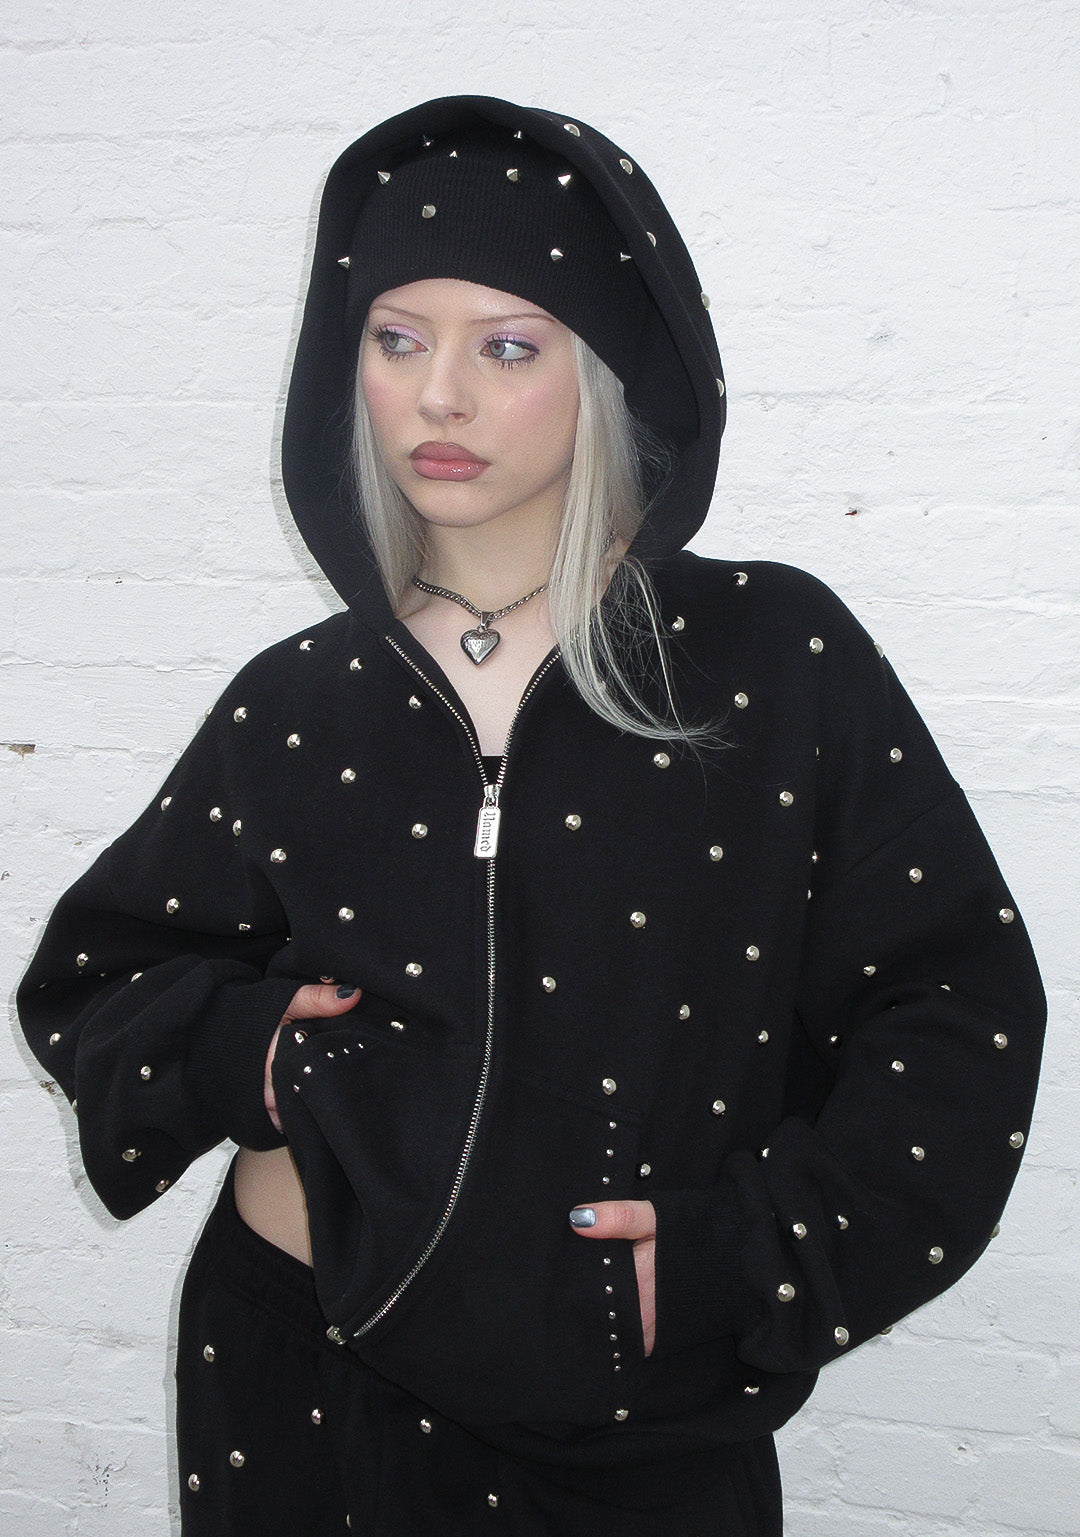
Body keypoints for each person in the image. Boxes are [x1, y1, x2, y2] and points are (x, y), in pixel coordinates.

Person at [17, 95, 1046, 1536]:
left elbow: (956, 1009)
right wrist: (255, 1053)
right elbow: (99, 977)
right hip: (300, 1380)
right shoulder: (304, 697)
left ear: (606, 373)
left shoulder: (771, 660)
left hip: (633, 1420)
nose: (437, 397)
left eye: (506, 346)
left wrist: (758, 1254)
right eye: (397, 340)